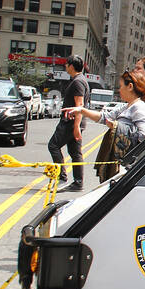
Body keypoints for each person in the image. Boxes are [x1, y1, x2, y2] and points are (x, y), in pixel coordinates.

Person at [69, 68, 145, 181]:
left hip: (126, 164)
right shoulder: (126, 106)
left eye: (121, 86)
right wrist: (82, 111)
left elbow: (144, 136)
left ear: (130, 86)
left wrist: (117, 127)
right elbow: (104, 117)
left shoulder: (139, 107)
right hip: (119, 159)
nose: (120, 90)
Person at [49, 55, 88, 190]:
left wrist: (76, 126)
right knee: (75, 152)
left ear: (72, 66)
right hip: (74, 122)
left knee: (53, 145)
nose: (65, 66)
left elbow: (80, 104)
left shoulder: (78, 82)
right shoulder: (79, 80)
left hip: (70, 122)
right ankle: (78, 182)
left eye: (66, 64)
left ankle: (62, 178)